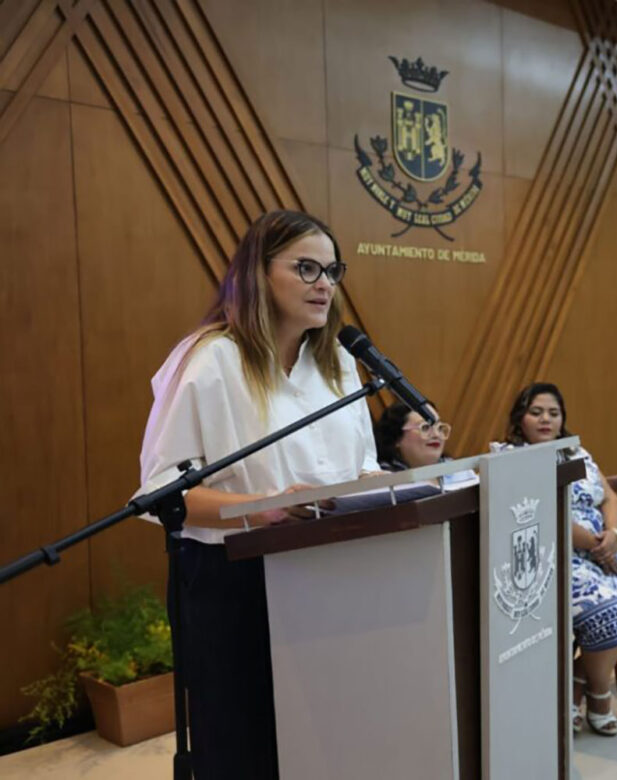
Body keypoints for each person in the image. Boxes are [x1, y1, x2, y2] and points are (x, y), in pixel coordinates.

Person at [135, 210, 382, 778]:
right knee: (244, 749)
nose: (324, 284)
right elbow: (162, 495)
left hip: (332, 576)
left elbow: (362, 467)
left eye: (332, 271)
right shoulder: (209, 359)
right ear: (258, 273)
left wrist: (375, 487)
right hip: (234, 584)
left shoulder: (339, 363)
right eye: (306, 268)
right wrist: (263, 509)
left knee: (321, 742)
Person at [497, 382, 617, 736]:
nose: (545, 419)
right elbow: (542, 515)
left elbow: (609, 498)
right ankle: (600, 694)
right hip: (553, 558)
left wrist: (615, 536)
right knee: (605, 617)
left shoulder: (576, 451)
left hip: (603, 549)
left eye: (553, 413)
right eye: (536, 412)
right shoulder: (510, 459)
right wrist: (598, 546)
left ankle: (578, 678)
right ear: (520, 418)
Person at [374, 401, 477, 489]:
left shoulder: (460, 472)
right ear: (396, 437)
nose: (436, 434)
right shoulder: (384, 480)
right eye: (425, 427)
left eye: (439, 428)